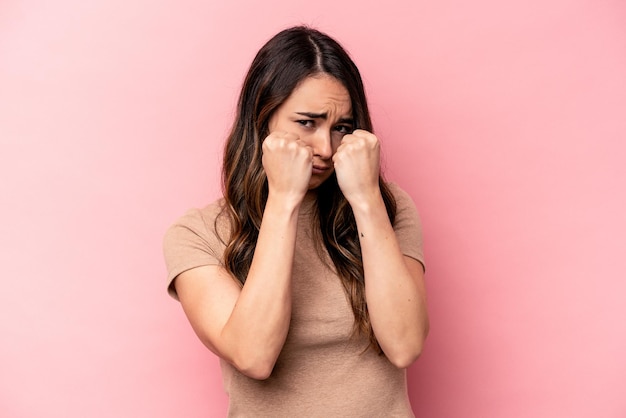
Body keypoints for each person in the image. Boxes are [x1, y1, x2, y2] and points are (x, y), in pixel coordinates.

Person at [163, 26, 429, 417]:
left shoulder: (389, 209)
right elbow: (254, 356)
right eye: (307, 122)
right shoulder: (197, 234)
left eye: (341, 127)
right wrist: (284, 199)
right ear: (262, 119)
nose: (326, 148)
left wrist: (367, 199)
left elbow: (405, 345)